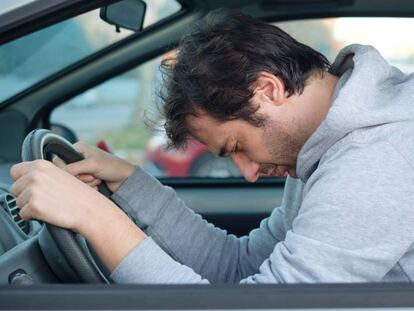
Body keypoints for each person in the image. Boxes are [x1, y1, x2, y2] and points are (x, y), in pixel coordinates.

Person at [10, 9, 414, 283]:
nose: (250, 173)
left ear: (267, 90)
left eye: (236, 144)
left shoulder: (377, 159)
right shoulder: (322, 148)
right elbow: (238, 266)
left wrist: (94, 218)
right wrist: (128, 181)